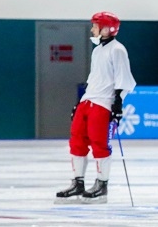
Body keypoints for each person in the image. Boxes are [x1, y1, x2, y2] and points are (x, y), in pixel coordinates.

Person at [56, 11, 136, 204]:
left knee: (100, 144)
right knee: (77, 140)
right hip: (89, 100)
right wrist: (80, 101)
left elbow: (123, 77)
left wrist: (118, 101)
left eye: (95, 25)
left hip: (103, 103)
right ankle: (78, 182)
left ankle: (102, 185)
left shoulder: (118, 50)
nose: (92, 29)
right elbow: (94, 78)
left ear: (107, 28)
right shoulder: (97, 50)